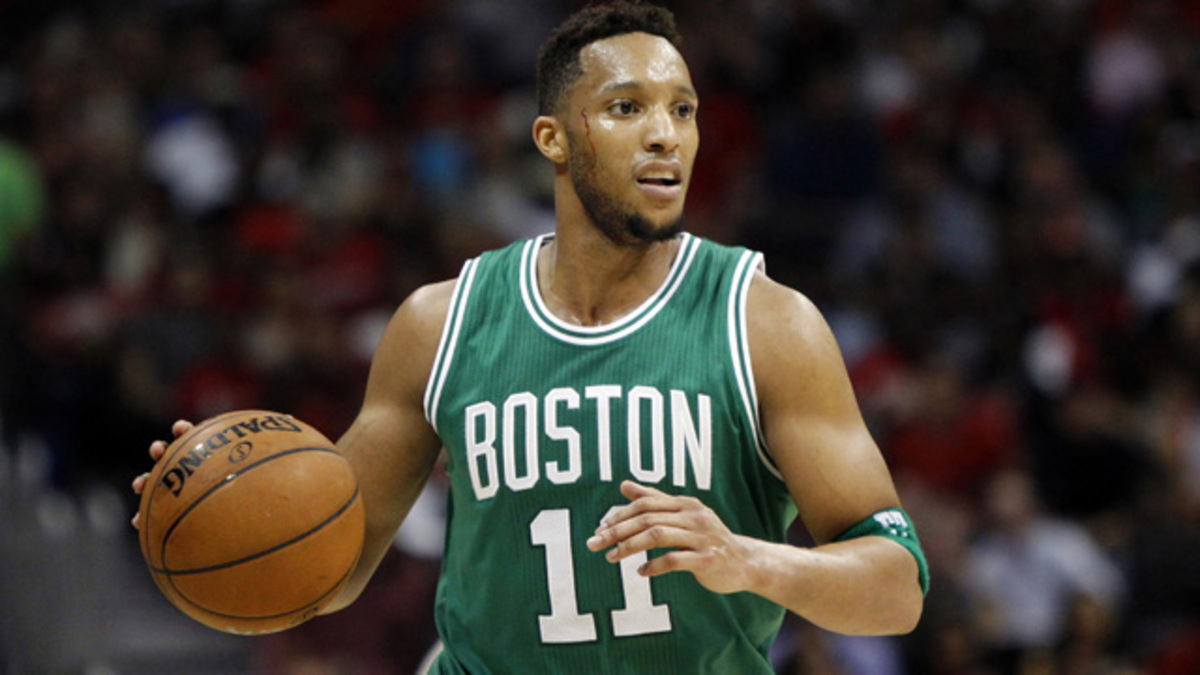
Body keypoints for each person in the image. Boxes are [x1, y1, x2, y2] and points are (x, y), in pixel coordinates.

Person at [132, 2, 927, 672]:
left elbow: (897, 587)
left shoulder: (765, 322)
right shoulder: (440, 324)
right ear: (552, 139)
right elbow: (328, 566)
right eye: (627, 107)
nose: (666, 134)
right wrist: (218, 511)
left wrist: (751, 559)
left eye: (682, 109)